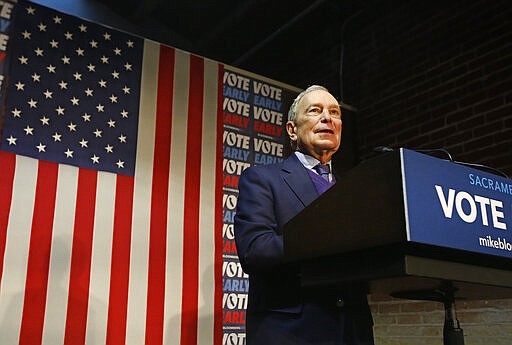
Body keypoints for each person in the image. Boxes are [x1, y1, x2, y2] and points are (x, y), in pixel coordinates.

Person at [234, 85, 374, 345]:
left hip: (353, 331)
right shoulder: (262, 179)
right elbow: (254, 250)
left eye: (334, 112)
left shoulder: (354, 190)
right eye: (315, 111)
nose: (327, 118)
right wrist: (324, 235)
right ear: (292, 130)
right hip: (292, 332)